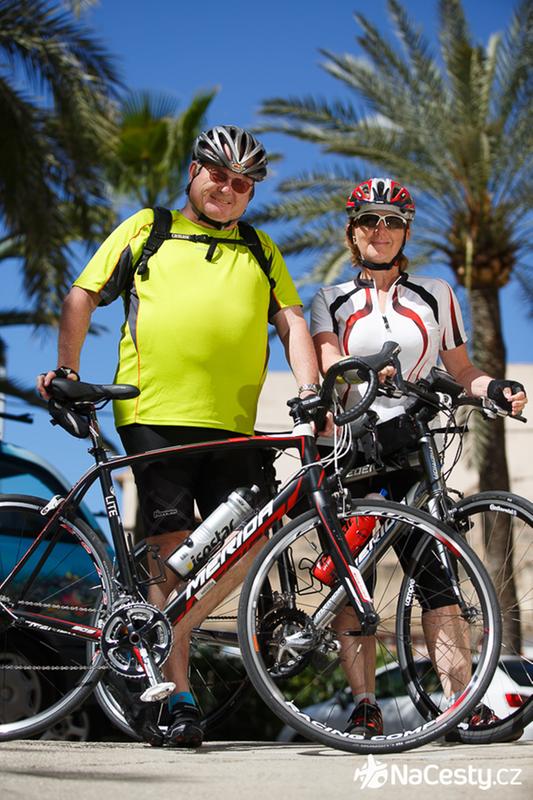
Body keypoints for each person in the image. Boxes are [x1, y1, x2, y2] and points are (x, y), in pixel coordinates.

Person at [37, 125, 322, 748]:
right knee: (172, 545)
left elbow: (292, 321)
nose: (229, 188)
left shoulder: (260, 248)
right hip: (155, 412)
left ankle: (162, 630)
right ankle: (176, 697)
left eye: (242, 182)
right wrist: (67, 369)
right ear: (194, 172)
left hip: (233, 423)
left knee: (250, 543)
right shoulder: (149, 228)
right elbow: (83, 295)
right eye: (219, 175)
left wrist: (310, 390)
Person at [310, 177, 528, 738]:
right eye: (369, 220)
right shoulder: (330, 300)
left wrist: (493, 388)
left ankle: (460, 702)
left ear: (406, 231)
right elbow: (331, 370)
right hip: (350, 452)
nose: (380, 230)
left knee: (437, 579)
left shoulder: (436, 294)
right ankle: (364, 704)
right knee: (353, 581)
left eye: (392, 221)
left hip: (413, 448)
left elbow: (461, 369)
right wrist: (364, 374)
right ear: (353, 231)